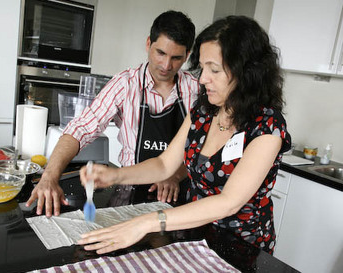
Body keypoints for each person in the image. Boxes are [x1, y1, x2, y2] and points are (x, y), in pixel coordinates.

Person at [77, 15, 292, 255]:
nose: (203, 79)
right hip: (193, 231)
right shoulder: (204, 111)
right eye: (203, 67)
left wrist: (146, 222)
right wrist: (115, 176)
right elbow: (163, 164)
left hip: (241, 247)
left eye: (215, 70)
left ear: (247, 73)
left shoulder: (266, 126)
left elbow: (228, 202)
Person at [26, 10, 199, 216]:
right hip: (129, 190)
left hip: (178, 192)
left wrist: (176, 174)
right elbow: (80, 129)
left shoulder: (197, 89)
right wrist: (49, 177)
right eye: (160, 53)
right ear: (148, 44)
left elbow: (204, 147)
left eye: (176, 58)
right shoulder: (125, 84)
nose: (166, 65)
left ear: (187, 56)